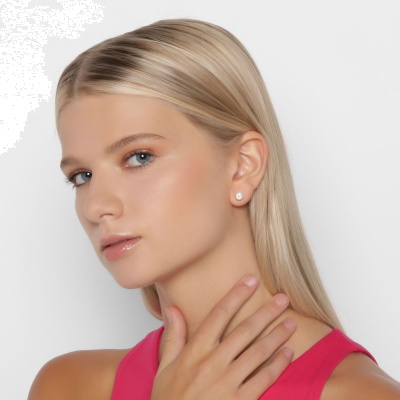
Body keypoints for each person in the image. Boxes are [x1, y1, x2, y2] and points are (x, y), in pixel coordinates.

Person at [28, 19, 400, 399]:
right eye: (81, 176)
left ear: (243, 166)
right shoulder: (69, 386)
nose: (96, 206)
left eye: (139, 157)